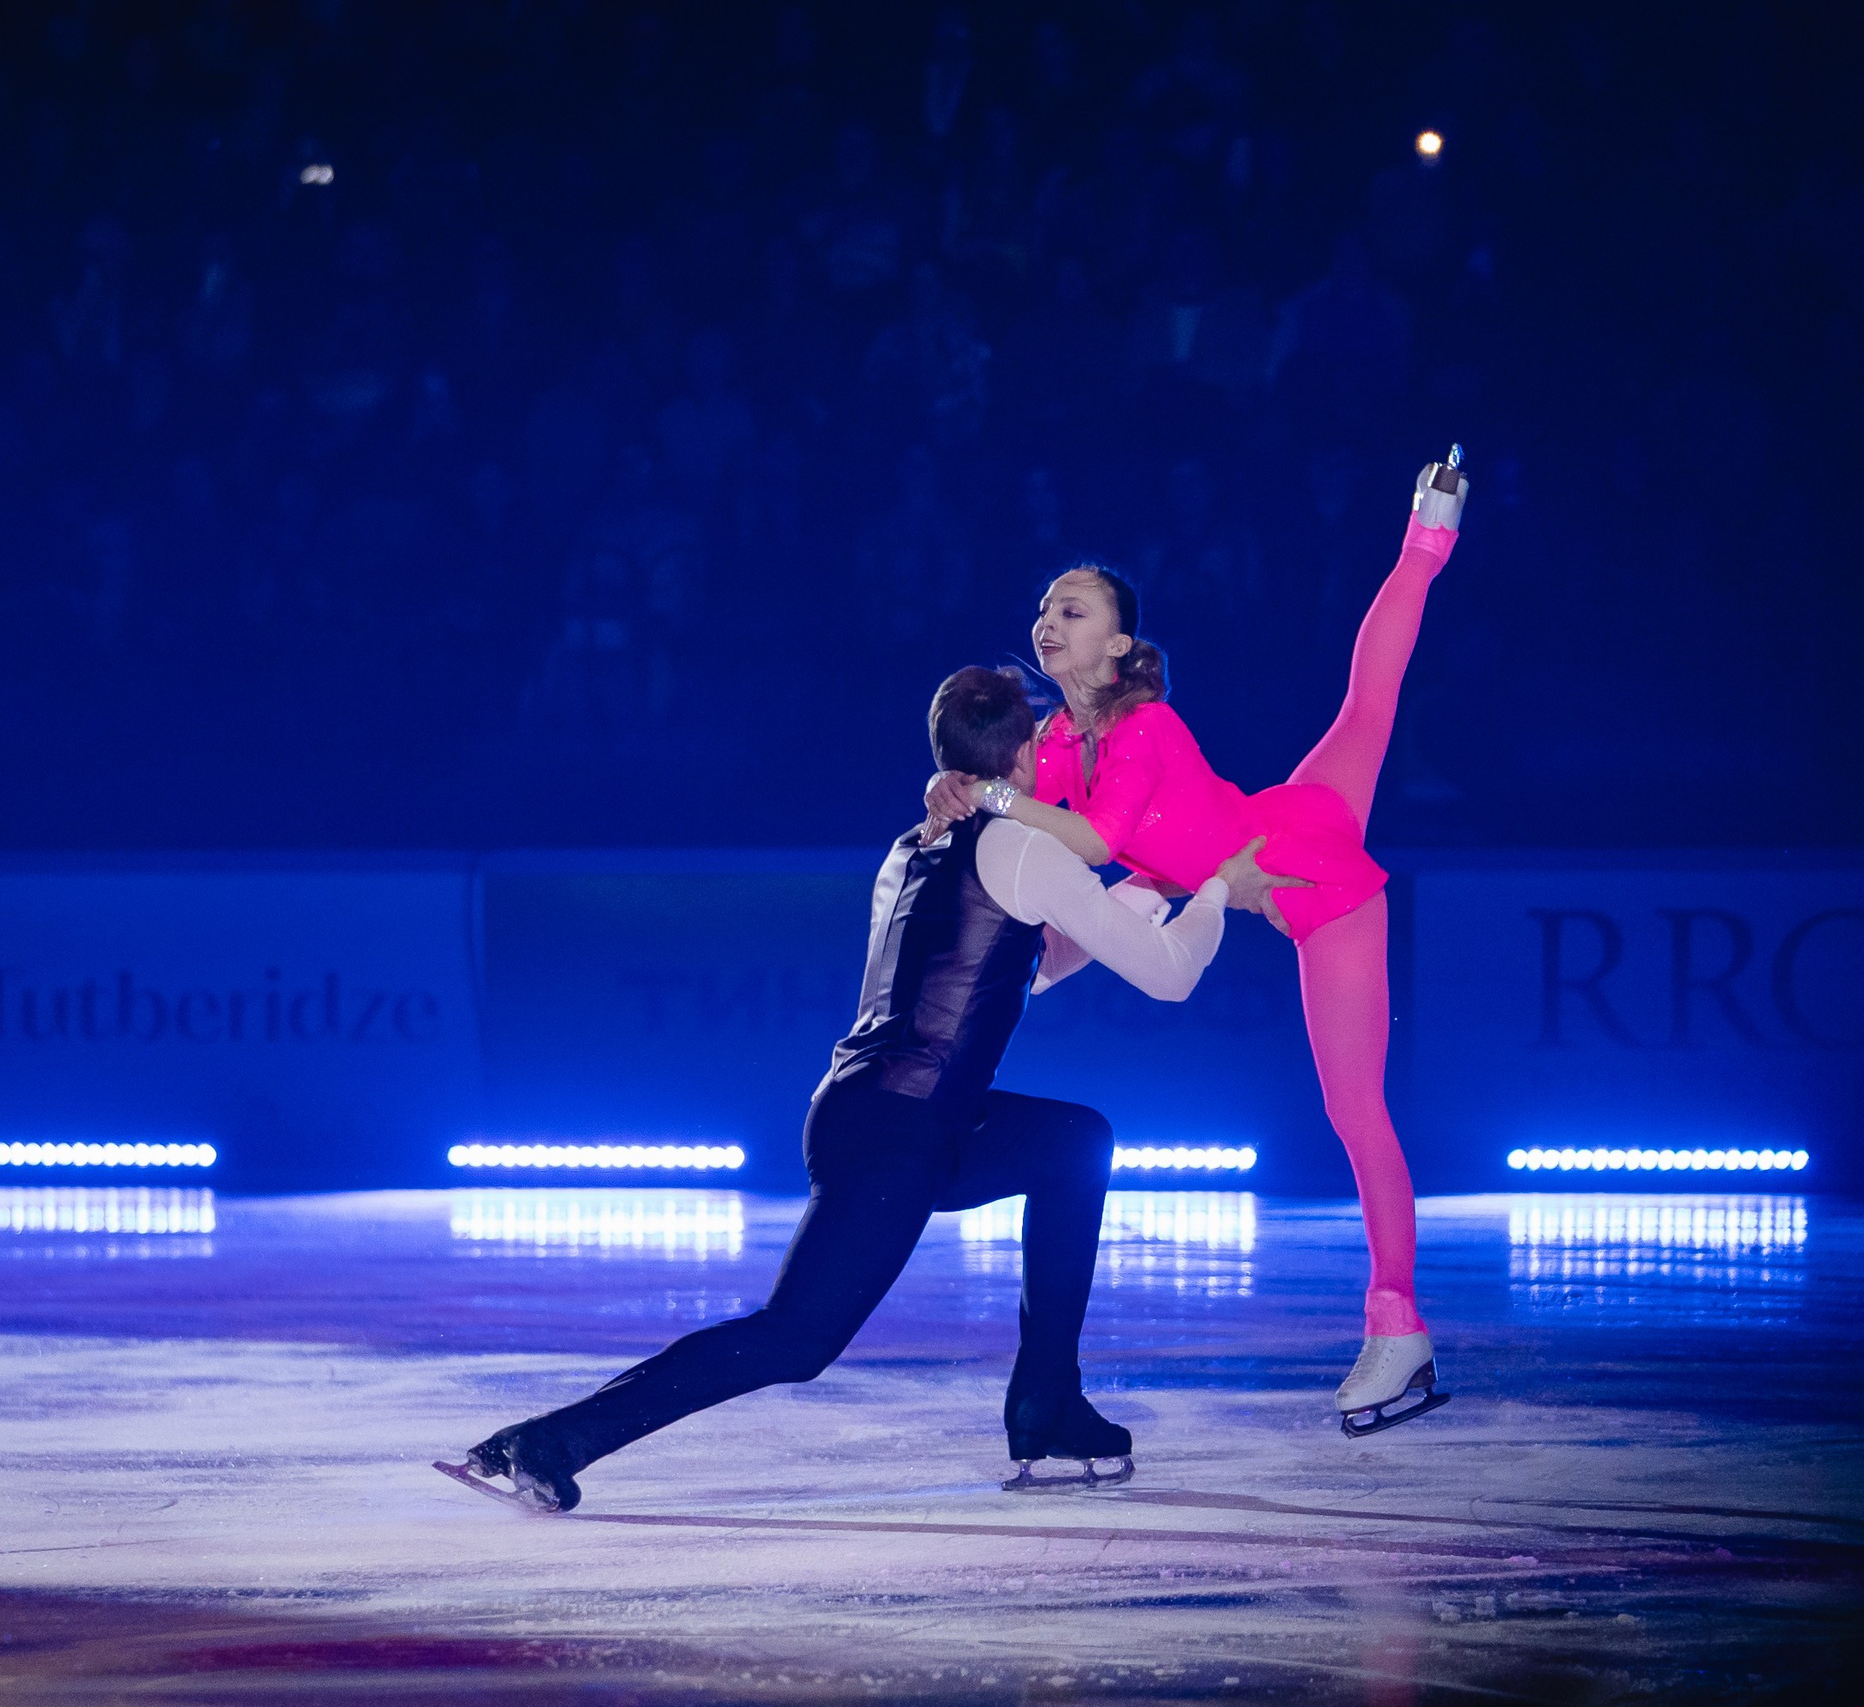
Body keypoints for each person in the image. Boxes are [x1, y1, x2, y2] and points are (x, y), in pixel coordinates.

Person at [443, 666, 1290, 1511]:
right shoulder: (1025, 847)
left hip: (894, 1117)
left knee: (1074, 1143)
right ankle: (546, 1441)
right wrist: (1220, 889)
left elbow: (1024, 967)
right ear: (1024, 755)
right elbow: (1171, 976)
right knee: (794, 1338)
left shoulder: (914, 845)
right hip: (903, 1132)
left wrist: (1148, 890)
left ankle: (1048, 1404)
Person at [927, 453, 1467, 1435]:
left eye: (1073, 608)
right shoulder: (1054, 744)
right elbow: (1044, 843)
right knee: (1363, 708)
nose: (1049, 619)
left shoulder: (1144, 726)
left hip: (1308, 881)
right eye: (1044, 607)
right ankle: (1429, 534)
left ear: (1117, 643)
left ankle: (1399, 1325)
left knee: (1354, 1110)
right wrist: (955, 788)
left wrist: (998, 799)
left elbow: (1094, 844)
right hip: (1261, 824)